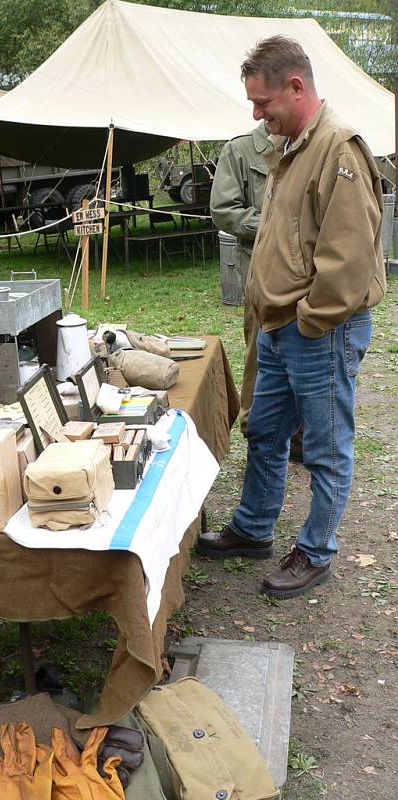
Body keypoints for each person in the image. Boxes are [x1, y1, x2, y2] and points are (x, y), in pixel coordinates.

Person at [196, 35, 386, 599]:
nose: (257, 114)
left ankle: (316, 551)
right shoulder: (294, 146)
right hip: (280, 327)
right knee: (265, 431)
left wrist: (309, 320)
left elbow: (348, 261)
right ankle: (254, 529)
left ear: (296, 87)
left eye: (264, 103)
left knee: (325, 447)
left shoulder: (337, 149)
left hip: (316, 331)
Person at [210, 122, 271, 436]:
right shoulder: (241, 149)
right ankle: (254, 426)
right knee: (260, 352)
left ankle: (299, 433)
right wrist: (273, 225)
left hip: (307, 271)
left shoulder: (309, 145)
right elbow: (223, 209)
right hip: (260, 269)